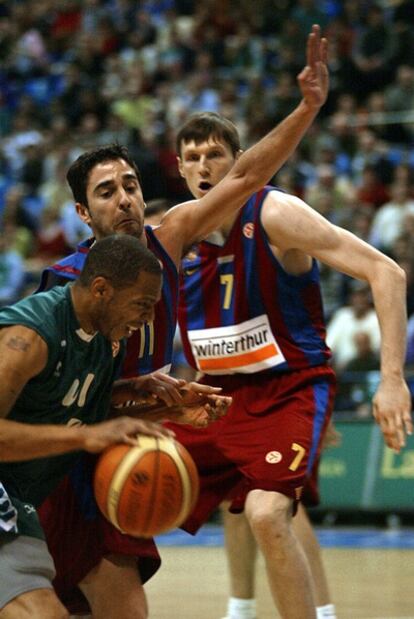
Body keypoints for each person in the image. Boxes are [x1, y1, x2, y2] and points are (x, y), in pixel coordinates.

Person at [37, 25, 331, 619]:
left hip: (110, 456)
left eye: (130, 185)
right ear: (81, 213)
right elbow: (64, 404)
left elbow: (246, 177)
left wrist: (307, 107)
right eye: (106, 192)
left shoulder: (167, 239)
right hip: (55, 467)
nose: (124, 199)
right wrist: (152, 398)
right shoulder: (66, 289)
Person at [166, 106, 412, 619]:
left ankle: (319, 611)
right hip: (215, 395)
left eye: (216, 154)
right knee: (112, 482)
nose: (205, 166)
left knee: (267, 511)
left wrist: (392, 381)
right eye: (194, 157)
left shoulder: (275, 214)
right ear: (181, 169)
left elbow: (386, 273)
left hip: (289, 391)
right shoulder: (175, 235)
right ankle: (238, 607)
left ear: (241, 163)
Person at [0, 235, 173, 619]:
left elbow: (88, 420)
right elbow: (87, 433)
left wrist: (165, 409)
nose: (148, 320)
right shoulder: (28, 337)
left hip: (13, 499)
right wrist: (87, 436)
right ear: (101, 289)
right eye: (143, 305)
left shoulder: (103, 342)